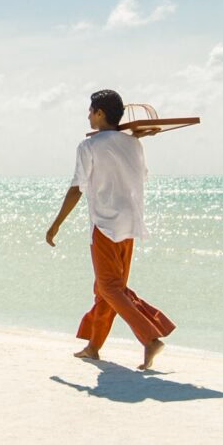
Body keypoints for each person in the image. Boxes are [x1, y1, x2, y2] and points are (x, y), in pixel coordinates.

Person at [45, 89, 176, 370]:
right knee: (106, 290)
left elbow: (76, 188)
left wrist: (56, 224)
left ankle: (151, 337)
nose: (88, 115)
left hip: (104, 224)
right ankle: (93, 347)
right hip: (130, 224)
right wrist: (130, 140)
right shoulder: (133, 144)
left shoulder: (88, 146)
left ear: (100, 113)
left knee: (109, 288)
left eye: (91, 111)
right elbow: (135, 171)